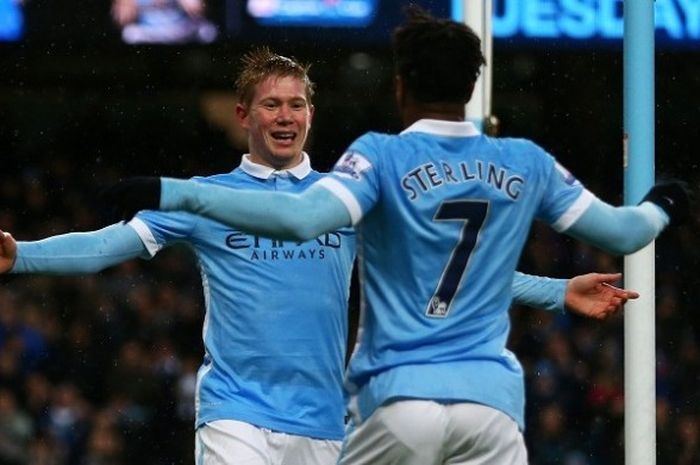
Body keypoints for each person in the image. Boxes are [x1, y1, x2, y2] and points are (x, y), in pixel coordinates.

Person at [98, 8, 692, 465]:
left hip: (394, 399)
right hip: (492, 404)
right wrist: (665, 202)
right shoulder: (526, 159)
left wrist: (169, 189)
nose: (286, 116)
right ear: (474, 84)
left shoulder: (378, 160)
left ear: (401, 86)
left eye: (296, 104)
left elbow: (302, 219)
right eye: (272, 105)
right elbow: (623, 228)